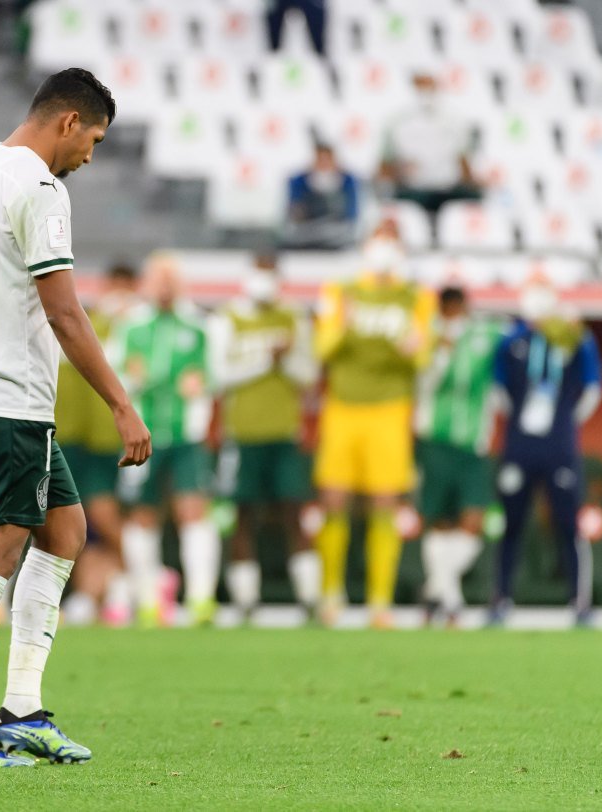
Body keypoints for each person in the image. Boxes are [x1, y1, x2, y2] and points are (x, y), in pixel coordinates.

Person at [0, 68, 150, 766]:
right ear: (68, 123)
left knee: (67, 531)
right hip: (8, 397)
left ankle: (20, 709)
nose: (92, 158)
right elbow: (64, 309)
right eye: (96, 140)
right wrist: (120, 402)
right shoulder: (40, 188)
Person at [313, 221, 435, 628]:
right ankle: (331, 594)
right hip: (343, 408)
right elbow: (323, 348)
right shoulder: (341, 290)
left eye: (392, 240)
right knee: (334, 499)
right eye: (378, 239)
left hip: (389, 410)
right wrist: (344, 325)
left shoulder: (417, 296)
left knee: (386, 502)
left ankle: (379, 602)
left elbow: (422, 358)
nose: (384, 248)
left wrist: (412, 349)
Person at [208, 255, 319, 622]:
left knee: (293, 512)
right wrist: (265, 361)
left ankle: (309, 597)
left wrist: (285, 361)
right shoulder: (228, 317)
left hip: (284, 432)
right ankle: (245, 598)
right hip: (241, 433)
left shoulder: (293, 316)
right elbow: (219, 374)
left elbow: (308, 374)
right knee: (243, 515)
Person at [490, 281, 602, 627]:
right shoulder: (511, 341)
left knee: (569, 524)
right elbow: (499, 390)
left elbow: (591, 389)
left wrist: (563, 423)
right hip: (521, 444)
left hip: (559, 445)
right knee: (511, 523)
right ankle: (501, 598)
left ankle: (579, 602)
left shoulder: (574, 337)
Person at [117, 254, 218, 628]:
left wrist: (202, 382)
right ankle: (146, 600)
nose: (164, 285)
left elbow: (216, 373)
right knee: (142, 515)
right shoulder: (131, 326)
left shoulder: (201, 326)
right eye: (157, 278)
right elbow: (116, 373)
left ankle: (201, 599)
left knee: (193, 511)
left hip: (187, 433)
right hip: (142, 434)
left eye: (170, 278)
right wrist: (136, 377)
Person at [415, 287, 503, 627]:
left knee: (473, 522)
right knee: (439, 520)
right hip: (435, 441)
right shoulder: (426, 337)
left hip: (474, 444)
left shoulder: (484, 334)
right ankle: (449, 601)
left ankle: (437, 589)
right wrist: (440, 356)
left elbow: (518, 334)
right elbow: (422, 385)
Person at [57, 262, 139, 626]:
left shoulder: (136, 329)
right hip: (69, 434)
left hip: (111, 438)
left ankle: (144, 579)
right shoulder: (83, 322)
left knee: (105, 517)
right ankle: (87, 596)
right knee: (72, 524)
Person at [379, 72, 481, 214]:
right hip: (413, 191)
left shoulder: (454, 120)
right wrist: (399, 172)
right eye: (421, 86)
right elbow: (384, 165)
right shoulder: (396, 123)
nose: (426, 93)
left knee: (474, 198)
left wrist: (472, 184)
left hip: (448, 189)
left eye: (429, 86)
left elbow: (463, 161)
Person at [283, 143, 360, 250]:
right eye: (320, 159)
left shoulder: (347, 181)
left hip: (336, 230)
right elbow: (293, 210)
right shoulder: (300, 181)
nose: (324, 164)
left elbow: (352, 213)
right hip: (307, 230)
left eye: (327, 159)